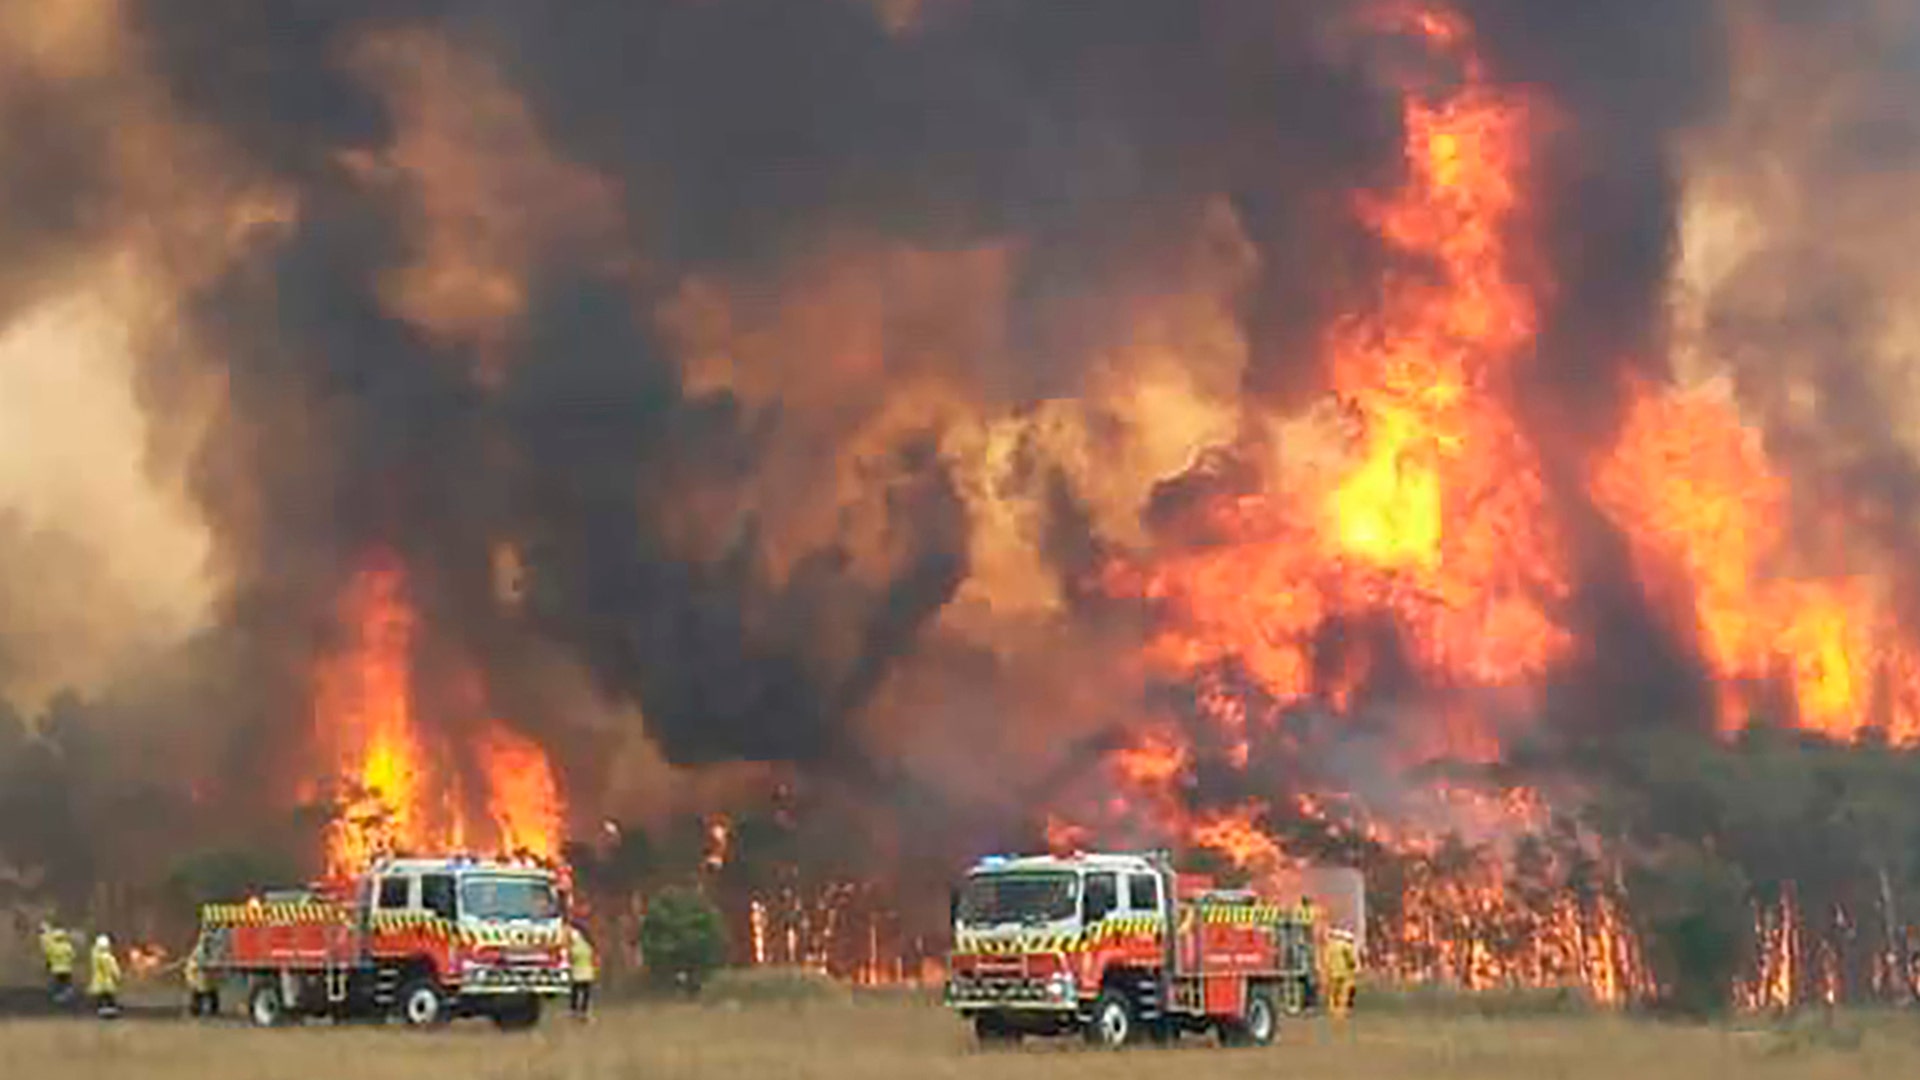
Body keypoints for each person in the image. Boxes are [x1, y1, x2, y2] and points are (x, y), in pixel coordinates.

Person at [1325, 928, 1360, 1018]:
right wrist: (1354, 966)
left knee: (1333, 992)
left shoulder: (1330, 946)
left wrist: (1327, 969)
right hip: (1345, 971)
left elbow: (1327, 960)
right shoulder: (1346, 946)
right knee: (1344, 992)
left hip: (1332, 971)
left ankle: (1332, 1009)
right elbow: (1351, 959)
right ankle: (1341, 1011)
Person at [39, 921, 76, 1005]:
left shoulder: (53, 947)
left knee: (57, 984)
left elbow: (48, 955)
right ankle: (67, 996)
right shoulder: (68, 946)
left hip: (55, 969)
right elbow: (73, 956)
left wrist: (48, 964)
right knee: (66, 983)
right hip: (67, 969)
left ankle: (57, 997)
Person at [568, 922, 597, 1020]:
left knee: (576, 992)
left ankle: (576, 1011)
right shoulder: (588, 944)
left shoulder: (576, 945)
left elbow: (572, 957)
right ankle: (582, 1011)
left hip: (579, 972)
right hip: (586, 972)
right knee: (584, 993)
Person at [90, 934, 123, 1019]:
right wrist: (118, 977)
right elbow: (114, 970)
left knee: (101, 998)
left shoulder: (94, 955)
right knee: (110, 998)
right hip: (108, 981)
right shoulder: (108, 957)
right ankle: (110, 1014)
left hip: (98, 981)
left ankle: (101, 1012)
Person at [184, 936, 219, 1017]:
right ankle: (195, 1010)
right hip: (197, 976)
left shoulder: (211, 951)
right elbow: (195, 963)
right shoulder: (199, 951)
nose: (209, 944)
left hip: (207, 977)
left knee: (211, 993)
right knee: (198, 994)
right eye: (208, 942)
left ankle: (212, 1010)